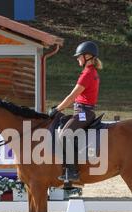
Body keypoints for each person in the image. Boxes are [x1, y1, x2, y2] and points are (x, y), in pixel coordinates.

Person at [49, 41, 103, 182]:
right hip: (81, 111)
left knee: (65, 134)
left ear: (88, 57)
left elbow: (71, 97)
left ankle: (72, 171)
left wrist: (57, 109)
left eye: (79, 56)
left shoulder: (88, 74)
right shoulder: (90, 72)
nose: (77, 59)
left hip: (84, 112)